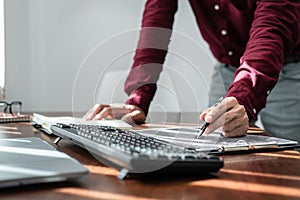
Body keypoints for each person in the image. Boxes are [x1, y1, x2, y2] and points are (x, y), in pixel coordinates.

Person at [84, 0, 300, 142]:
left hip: (290, 69)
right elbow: (156, 21)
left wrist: (244, 96)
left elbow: (272, 27)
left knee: (290, 163)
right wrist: (138, 98)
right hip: (227, 68)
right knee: (219, 153)